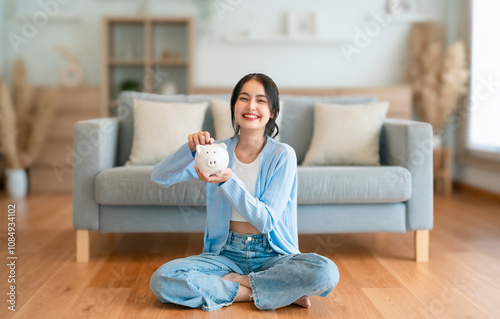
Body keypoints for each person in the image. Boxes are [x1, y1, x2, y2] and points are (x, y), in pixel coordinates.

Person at [149, 73, 339, 311]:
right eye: (243, 98)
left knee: (326, 271)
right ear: (234, 106)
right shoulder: (215, 153)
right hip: (226, 255)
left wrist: (228, 181)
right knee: (163, 279)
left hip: (273, 255)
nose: (251, 106)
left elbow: (266, 221)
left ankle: (242, 285)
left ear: (273, 111)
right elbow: (160, 176)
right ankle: (270, 292)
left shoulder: (283, 155)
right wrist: (189, 150)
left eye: (261, 100)